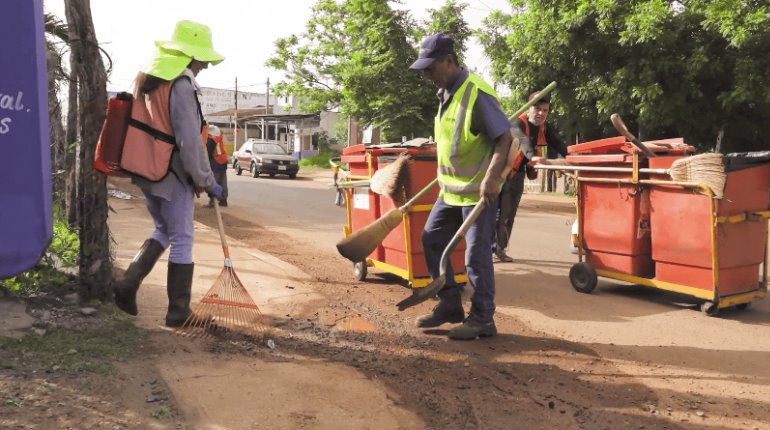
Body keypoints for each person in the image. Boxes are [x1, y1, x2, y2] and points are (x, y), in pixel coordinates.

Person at [113, 20, 224, 327]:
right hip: (170, 173)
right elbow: (189, 142)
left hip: (145, 169)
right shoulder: (181, 84)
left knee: (164, 228)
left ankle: (126, 284)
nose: (204, 65)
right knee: (183, 237)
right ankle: (178, 312)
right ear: (189, 55)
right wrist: (207, 181)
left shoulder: (151, 75)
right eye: (201, 59)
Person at [409, 33, 513, 340]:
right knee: (431, 239)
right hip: (451, 192)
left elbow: (504, 139)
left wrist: (492, 179)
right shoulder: (446, 94)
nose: (427, 75)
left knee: (476, 256)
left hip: (478, 192)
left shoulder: (476, 94)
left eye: (431, 68)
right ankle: (450, 304)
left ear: (449, 61)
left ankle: (483, 319)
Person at [493, 91, 567, 263]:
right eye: (538, 108)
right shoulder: (516, 123)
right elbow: (523, 141)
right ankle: (489, 248)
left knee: (509, 215)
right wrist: (533, 156)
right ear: (529, 108)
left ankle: (500, 249)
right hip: (501, 174)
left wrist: (572, 156)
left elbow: (558, 143)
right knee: (499, 214)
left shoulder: (544, 127)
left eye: (545, 110)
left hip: (517, 175)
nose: (541, 113)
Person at [205, 125, 229, 207]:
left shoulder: (211, 140)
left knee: (214, 183)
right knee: (222, 182)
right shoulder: (219, 139)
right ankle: (223, 200)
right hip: (223, 161)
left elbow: (207, 154)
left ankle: (213, 201)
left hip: (216, 162)